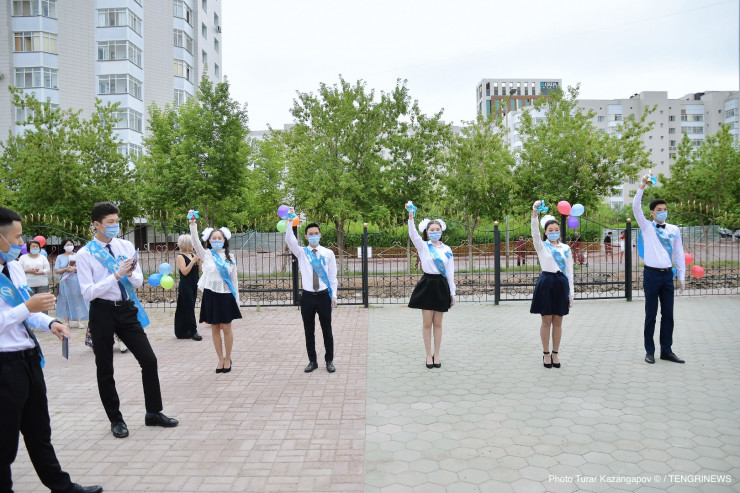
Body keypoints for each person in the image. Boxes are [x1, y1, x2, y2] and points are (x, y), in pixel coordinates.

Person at [0, 207, 103, 493]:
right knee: (4, 440)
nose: (22, 243)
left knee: (39, 430)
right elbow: (22, 309)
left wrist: (50, 322)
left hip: (28, 361)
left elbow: (26, 312)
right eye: (17, 237)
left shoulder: (13, 268)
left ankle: (61, 486)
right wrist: (27, 307)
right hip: (4, 366)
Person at [76, 202, 178, 438]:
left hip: (126, 309)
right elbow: (88, 292)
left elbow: (139, 282)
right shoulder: (85, 254)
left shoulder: (126, 246)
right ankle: (116, 419)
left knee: (149, 360)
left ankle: (153, 413)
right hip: (101, 311)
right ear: (97, 224)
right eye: (110, 222)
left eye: (116, 221)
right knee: (105, 367)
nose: (115, 226)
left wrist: (130, 273)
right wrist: (116, 275)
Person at [633, 174, 686, 365]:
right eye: (659, 210)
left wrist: (681, 276)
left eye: (665, 209)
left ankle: (666, 350)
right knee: (651, 315)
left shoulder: (673, 229)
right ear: (652, 213)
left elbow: (679, 253)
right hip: (651, 275)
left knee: (668, 315)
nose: (663, 212)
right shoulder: (647, 227)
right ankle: (650, 351)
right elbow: (636, 208)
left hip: (667, 276)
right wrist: (642, 187)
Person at [284, 212, 338, 373]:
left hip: (324, 296)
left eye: (316, 233)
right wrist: (289, 221)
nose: (313, 236)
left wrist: (334, 295)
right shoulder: (301, 252)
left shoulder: (328, 253)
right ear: (306, 237)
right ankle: (312, 361)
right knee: (309, 330)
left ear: (320, 235)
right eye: (310, 234)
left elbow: (332, 276)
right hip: (307, 297)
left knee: (327, 329)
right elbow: (290, 240)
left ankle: (329, 360)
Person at [188, 213, 241, 373]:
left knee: (227, 328)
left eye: (219, 238)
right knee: (214, 328)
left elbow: (234, 279)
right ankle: (220, 358)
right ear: (209, 241)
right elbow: (195, 242)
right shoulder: (206, 255)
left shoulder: (230, 257)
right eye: (214, 238)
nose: (217, 240)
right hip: (211, 295)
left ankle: (228, 358)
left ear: (224, 240)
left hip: (226, 295)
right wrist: (193, 224)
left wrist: (236, 299)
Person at [407, 210, 456, 369]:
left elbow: (450, 273)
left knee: (438, 323)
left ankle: (437, 354)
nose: (435, 232)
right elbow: (413, 234)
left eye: (437, 229)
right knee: (427, 323)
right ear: (427, 232)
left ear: (441, 231)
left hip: (441, 285)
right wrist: (411, 217)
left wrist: (452, 292)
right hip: (427, 284)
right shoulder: (423, 246)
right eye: (432, 230)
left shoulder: (447, 249)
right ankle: (429, 355)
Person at [531, 202, 574, 369]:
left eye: (556, 229)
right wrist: (535, 212)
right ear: (545, 232)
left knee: (558, 320)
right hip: (546, 283)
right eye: (550, 230)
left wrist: (571, 294)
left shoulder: (566, 248)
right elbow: (534, 232)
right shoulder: (542, 246)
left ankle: (555, 353)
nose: (554, 232)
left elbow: (569, 271)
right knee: (546, 319)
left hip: (561, 283)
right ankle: (546, 353)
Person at [53, 240, 89, 328]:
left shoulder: (78, 255)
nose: (69, 246)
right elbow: (57, 270)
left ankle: (79, 321)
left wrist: (75, 268)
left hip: (76, 280)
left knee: (78, 299)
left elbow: (84, 267)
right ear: (63, 246)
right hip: (65, 281)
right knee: (65, 299)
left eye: (71, 244)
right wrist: (66, 269)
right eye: (67, 244)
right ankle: (66, 321)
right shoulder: (60, 257)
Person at [174, 234, 202, 341]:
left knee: (189, 307)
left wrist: (199, 262)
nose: (193, 245)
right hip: (185, 286)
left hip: (194, 284)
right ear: (187, 244)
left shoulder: (192, 254)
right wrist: (193, 261)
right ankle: (194, 331)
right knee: (189, 308)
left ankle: (186, 330)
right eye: (191, 243)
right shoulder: (180, 257)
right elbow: (184, 272)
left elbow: (199, 271)